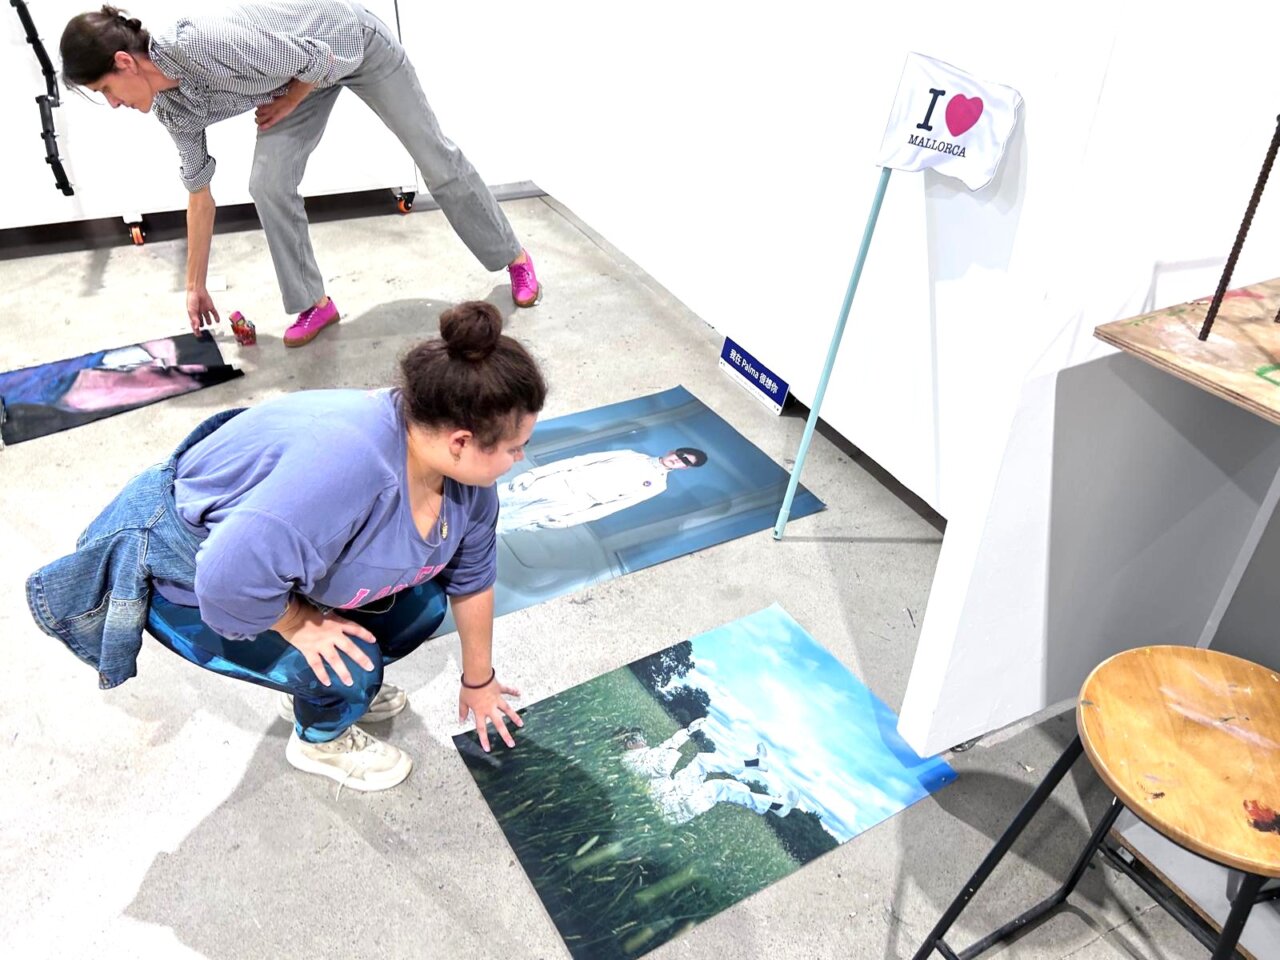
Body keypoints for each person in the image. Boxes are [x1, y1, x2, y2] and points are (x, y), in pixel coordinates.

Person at [26, 301, 547, 792]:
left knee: (422, 605)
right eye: (514, 447)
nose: (520, 457)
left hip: (262, 559)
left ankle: (318, 684)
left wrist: (480, 681)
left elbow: (472, 575)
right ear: (459, 440)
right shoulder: (346, 466)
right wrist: (298, 625)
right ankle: (319, 741)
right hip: (186, 572)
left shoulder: (465, 481)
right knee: (354, 668)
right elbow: (226, 581)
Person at [59, 4, 543, 348]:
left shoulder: (201, 43)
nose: (113, 103)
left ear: (125, 62)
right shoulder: (173, 109)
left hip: (351, 44)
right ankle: (315, 302)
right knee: (267, 183)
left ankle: (513, 255)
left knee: (433, 156)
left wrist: (290, 99)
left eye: (106, 89)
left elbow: (316, 56)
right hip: (295, 77)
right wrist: (194, 285)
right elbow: (199, 193)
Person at [617, 718, 800, 825]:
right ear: (629, 743)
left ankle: (754, 762)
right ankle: (777, 805)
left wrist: (688, 731)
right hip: (672, 807)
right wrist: (675, 745)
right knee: (722, 787)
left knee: (703, 759)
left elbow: (665, 748)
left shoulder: (641, 754)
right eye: (638, 737)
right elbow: (661, 768)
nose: (643, 739)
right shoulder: (629, 761)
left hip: (674, 790)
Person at [496, 447, 708, 535]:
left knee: (506, 524)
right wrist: (534, 474)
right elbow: (579, 461)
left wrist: (569, 521)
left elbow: (611, 508)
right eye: (680, 454)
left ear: (685, 468)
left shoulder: (657, 486)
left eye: (684, 462)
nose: (677, 460)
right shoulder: (631, 454)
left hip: (573, 503)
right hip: (558, 481)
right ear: (673, 450)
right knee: (495, 497)